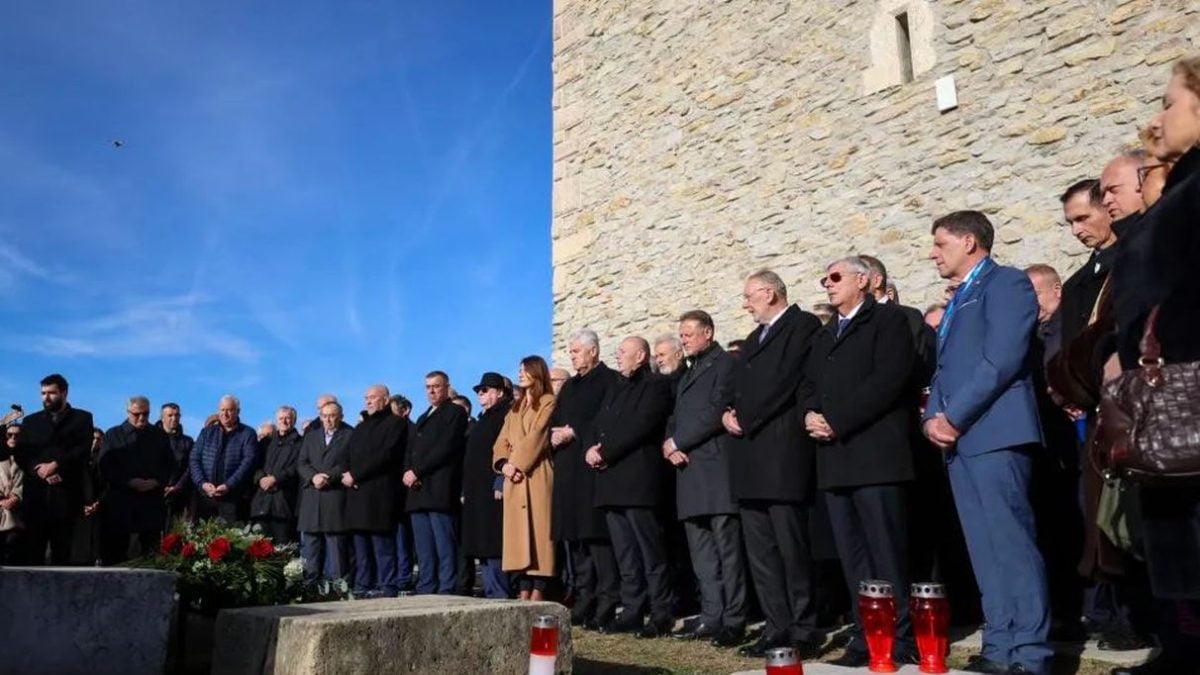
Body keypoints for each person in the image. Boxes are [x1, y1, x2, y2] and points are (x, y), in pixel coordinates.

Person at [923, 211, 1051, 675]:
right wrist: (931, 417)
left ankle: (1031, 651)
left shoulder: (1006, 283)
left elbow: (1002, 358)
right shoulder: (959, 297)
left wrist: (953, 416)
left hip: (995, 431)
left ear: (969, 242)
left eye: (940, 244)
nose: (933, 254)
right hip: (959, 441)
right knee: (983, 547)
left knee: (1011, 543)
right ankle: (999, 644)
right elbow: (944, 368)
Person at [1108, 56, 1200, 675]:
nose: (1156, 119)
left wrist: (1156, 339)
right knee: (1175, 543)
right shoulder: (1184, 188)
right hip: (1165, 401)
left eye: (1169, 103)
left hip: (1186, 389)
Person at [804, 257, 918, 667]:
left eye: (836, 277)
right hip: (835, 460)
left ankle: (900, 637)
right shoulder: (825, 334)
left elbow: (888, 381)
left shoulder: (888, 322)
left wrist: (837, 420)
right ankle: (864, 636)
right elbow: (808, 384)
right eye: (825, 278)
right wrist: (809, 414)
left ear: (864, 280)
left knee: (886, 552)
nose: (828, 284)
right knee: (853, 557)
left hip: (875, 457)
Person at [722, 270, 824, 658]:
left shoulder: (802, 326)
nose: (745, 304)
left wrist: (747, 416)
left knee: (791, 547)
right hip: (749, 457)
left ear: (769, 293)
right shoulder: (753, 339)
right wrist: (727, 412)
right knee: (761, 552)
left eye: (749, 296)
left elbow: (786, 380)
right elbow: (734, 386)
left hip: (782, 453)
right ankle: (775, 625)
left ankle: (803, 627)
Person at [663, 310, 746, 647]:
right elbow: (675, 417)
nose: (683, 340)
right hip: (688, 471)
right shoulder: (689, 372)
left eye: (688, 334)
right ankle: (711, 615)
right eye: (681, 334)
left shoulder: (725, 364)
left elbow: (716, 411)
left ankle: (734, 618)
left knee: (728, 552)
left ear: (708, 332)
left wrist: (679, 442)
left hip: (715, 470)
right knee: (702, 554)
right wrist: (668, 445)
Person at [587, 337, 674, 637]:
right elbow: (597, 423)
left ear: (640, 356)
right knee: (625, 555)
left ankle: (661, 613)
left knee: (650, 552)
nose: (618, 355)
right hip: (610, 482)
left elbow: (641, 425)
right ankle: (632, 610)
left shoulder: (655, 385)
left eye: (623, 352)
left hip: (638, 482)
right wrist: (590, 449)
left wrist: (606, 452)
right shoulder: (616, 387)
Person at [550, 329, 622, 629]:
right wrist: (555, 432)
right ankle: (584, 596)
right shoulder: (570, 386)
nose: (572, 356)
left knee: (597, 539)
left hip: (592, 469)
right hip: (568, 469)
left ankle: (607, 598)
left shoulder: (609, 380)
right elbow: (557, 418)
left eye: (577, 351)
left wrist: (574, 431)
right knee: (576, 540)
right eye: (570, 351)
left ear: (593, 351)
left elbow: (605, 418)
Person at [494, 357, 557, 601]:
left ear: (536, 372)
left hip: (537, 474)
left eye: (525, 370)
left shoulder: (548, 401)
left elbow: (538, 435)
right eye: (519, 370)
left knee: (539, 534)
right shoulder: (514, 408)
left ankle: (539, 588)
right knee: (518, 537)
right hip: (514, 478)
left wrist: (516, 464)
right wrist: (504, 465)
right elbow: (501, 441)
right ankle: (523, 587)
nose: (520, 374)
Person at [17, 374, 94, 565]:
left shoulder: (82, 419)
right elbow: (22, 454)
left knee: (63, 556)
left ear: (64, 393)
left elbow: (82, 450)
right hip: (36, 498)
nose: (46, 397)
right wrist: (39, 471)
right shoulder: (31, 422)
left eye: (51, 393)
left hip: (67, 497)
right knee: (32, 556)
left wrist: (56, 465)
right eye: (43, 393)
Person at [405, 371, 469, 595]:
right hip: (418, 490)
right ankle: (426, 585)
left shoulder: (455, 413)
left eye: (436, 386)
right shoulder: (423, 417)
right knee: (424, 546)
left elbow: (446, 447)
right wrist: (408, 472)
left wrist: (417, 471)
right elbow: (412, 449)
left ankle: (446, 587)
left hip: (439, 487)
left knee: (444, 543)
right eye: (428, 387)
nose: (431, 391)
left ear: (446, 387)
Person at [344, 384, 407, 597]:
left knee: (382, 546)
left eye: (372, 397)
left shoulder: (396, 423)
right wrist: (346, 473)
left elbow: (387, 455)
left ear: (386, 400)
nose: (368, 401)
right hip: (357, 493)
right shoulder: (361, 428)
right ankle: (363, 586)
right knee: (361, 547)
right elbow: (347, 454)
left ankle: (388, 586)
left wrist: (356, 475)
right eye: (366, 398)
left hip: (380, 493)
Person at [99, 396, 174, 565]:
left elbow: (169, 464)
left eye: (146, 414)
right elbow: (105, 466)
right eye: (137, 414)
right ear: (128, 412)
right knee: (115, 553)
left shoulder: (159, 435)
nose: (141, 418)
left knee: (151, 554)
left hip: (151, 501)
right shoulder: (113, 435)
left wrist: (156, 481)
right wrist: (128, 481)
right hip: (121, 502)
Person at [462, 372, 513, 599]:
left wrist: (501, 479)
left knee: (494, 542)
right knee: (481, 542)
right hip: (476, 489)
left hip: (493, 488)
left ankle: (499, 591)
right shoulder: (484, 418)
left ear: (499, 392)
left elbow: (508, 449)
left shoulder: (506, 415)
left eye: (485, 390)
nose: (480, 394)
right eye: (478, 391)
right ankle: (491, 588)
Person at [297, 400, 353, 584]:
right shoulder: (311, 437)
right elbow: (302, 463)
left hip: (334, 495)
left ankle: (338, 586)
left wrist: (329, 476)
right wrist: (313, 477)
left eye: (332, 416)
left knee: (335, 546)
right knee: (310, 546)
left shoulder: (349, 435)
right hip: (312, 497)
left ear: (341, 417)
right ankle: (310, 586)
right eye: (324, 416)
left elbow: (348, 462)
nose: (328, 420)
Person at [189, 395, 258, 525]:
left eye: (229, 410)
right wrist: (202, 483)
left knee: (229, 535)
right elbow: (194, 459)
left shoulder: (247, 433)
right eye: (222, 410)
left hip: (232, 499)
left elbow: (248, 462)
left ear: (238, 411)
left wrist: (229, 485)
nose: (225, 414)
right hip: (205, 497)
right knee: (201, 535)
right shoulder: (207, 432)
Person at [250, 406, 303, 544]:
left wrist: (276, 479)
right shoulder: (266, 442)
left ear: (294, 420)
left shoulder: (301, 443)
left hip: (284, 504)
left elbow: (298, 468)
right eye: (281, 418)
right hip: (261, 504)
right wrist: (261, 478)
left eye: (287, 418)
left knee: (283, 547)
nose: (284, 421)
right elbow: (255, 464)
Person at [158, 403, 194, 526]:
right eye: (170, 415)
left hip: (179, 496)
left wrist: (178, 486)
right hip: (154, 494)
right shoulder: (151, 439)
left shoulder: (187, 442)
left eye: (177, 415)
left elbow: (191, 467)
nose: (174, 418)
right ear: (162, 417)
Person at [1, 424, 25, 564]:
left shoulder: (30, 458)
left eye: (17, 435)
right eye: (9, 434)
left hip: (21, 514)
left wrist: (17, 496)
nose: (13, 438)